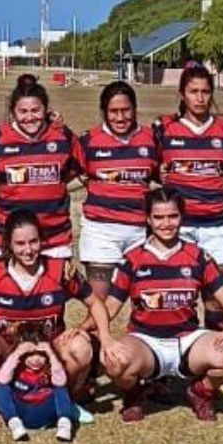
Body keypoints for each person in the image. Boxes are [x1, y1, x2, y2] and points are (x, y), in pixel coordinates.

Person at [101, 188, 223, 424]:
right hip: (146, 341)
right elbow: (110, 308)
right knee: (113, 362)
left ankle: (200, 392)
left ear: (181, 217)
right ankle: (135, 393)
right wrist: (91, 332)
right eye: (158, 217)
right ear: (148, 219)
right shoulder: (132, 259)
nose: (166, 224)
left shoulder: (198, 256)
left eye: (173, 216)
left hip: (187, 340)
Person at [0, 210, 115, 424]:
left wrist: (100, 336)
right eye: (20, 243)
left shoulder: (60, 270)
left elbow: (95, 303)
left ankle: (68, 400)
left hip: (50, 351)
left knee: (81, 346)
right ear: (9, 245)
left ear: (42, 240)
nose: (28, 250)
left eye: (34, 241)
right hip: (7, 350)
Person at [152, 64, 223, 332]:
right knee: (178, 298)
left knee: (215, 299)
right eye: (193, 92)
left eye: (205, 92)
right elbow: (147, 166)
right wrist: (158, 173)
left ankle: (215, 364)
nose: (200, 98)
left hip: (218, 226)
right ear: (182, 94)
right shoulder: (164, 129)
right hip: (181, 227)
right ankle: (179, 362)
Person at [0, 74, 81, 258]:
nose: (30, 117)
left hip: (54, 239)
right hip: (8, 238)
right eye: (23, 111)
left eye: (36, 110)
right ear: (12, 112)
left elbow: (80, 167)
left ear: (46, 109)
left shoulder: (62, 136)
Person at [74, 81, 159, 292]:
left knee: (145, 301)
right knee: (99, 306)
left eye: (126, 110)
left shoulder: (151, 138)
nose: (120, 118)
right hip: (100, 233)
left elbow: (163, 173)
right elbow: (69, 171)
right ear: (103, 112)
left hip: (140, 232)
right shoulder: (88, 141)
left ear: (135, 109)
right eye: (114, 112)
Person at [0, 324, 75, 443]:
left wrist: (51, 354)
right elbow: (2, 380)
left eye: (40, 355)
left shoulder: (49, 368)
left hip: (45, 408)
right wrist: (17, 353)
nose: (36, 360)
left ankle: (64, 422)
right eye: (30, 355)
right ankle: (14, 423)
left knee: (60, 388)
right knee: (0, 389)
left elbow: (61, 382)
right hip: (22, 411)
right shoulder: (16, 367)